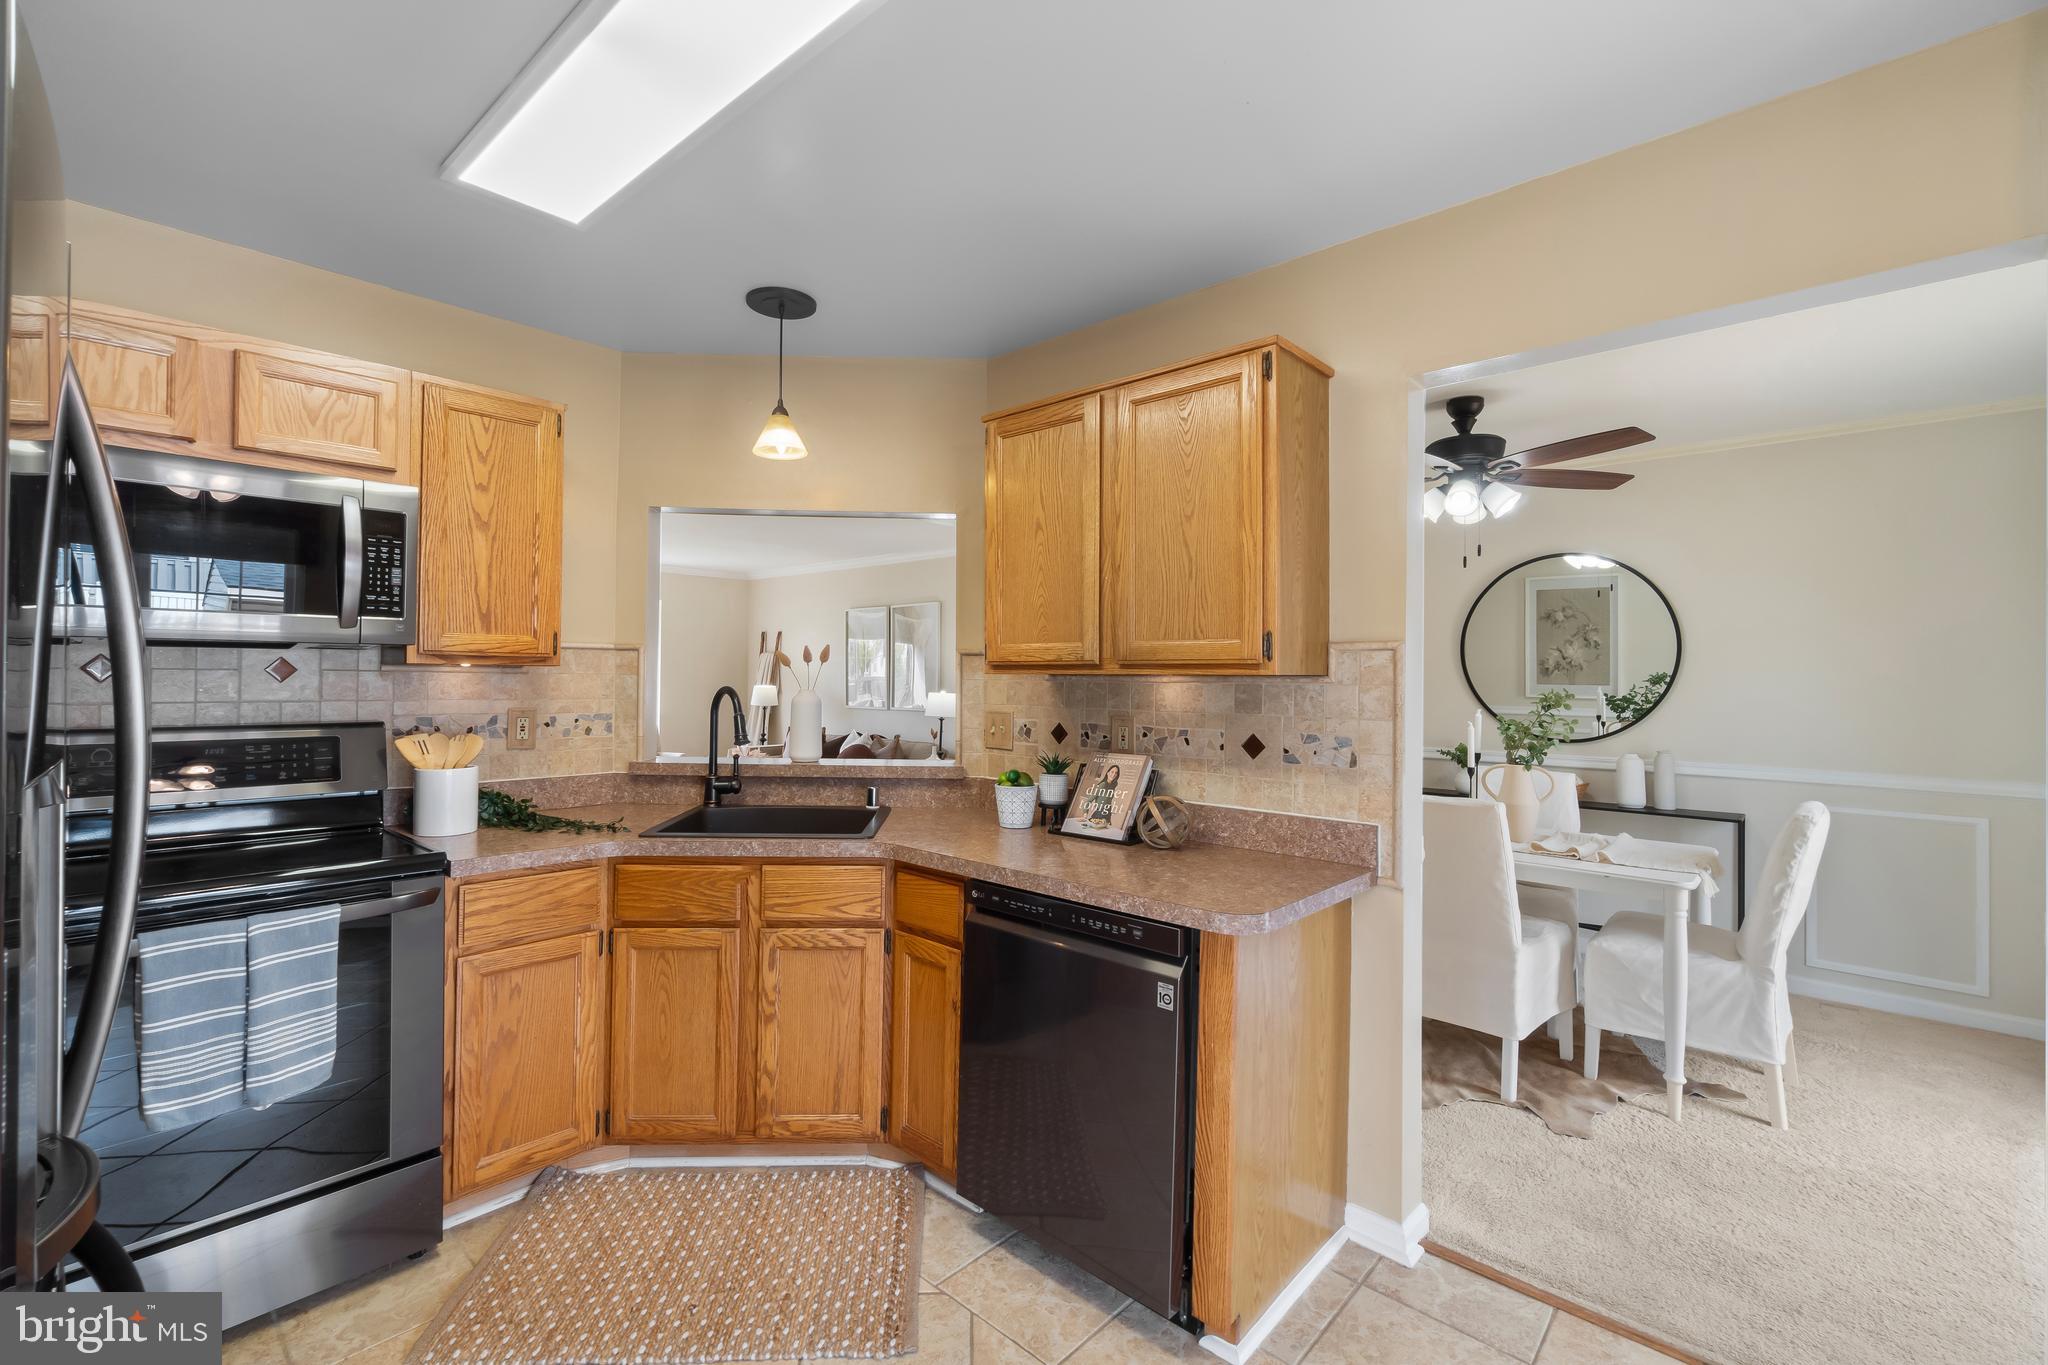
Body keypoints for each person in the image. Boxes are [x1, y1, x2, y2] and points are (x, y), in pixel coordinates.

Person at [1081, 762, 1121, 829]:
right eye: (1112, 772)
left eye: (1116, 773)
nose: (1114, 774)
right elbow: (1089, 800)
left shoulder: (1114, 785)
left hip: (1107, 814)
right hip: (1099, 814)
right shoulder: (1102, 785)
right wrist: (1085, 814)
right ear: (1107, 773)